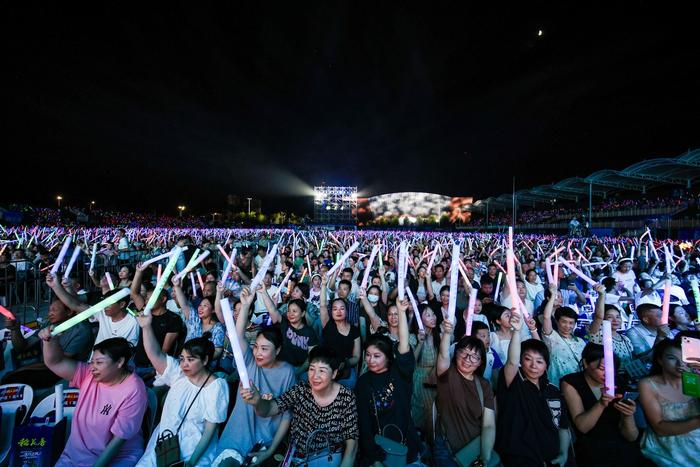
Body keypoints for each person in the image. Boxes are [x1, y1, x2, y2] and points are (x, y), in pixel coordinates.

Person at [215, 285, 297, 466]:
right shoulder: (249, 362)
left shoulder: (287, 372)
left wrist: (271, 450)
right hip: (237, 436)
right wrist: (244, 306)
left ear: (278, 350)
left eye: (265, 349)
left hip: (266, 441)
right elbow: (238, 337)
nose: (258, 352)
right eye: (256, 347)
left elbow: (286, 415)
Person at [39, 331, 147, 467]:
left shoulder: (134, 389)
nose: (93, 367)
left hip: (117, 457)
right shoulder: (88, 374)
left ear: (120, 362)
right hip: (76, 455)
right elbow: (55, 362)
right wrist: (49, 341)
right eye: (92, 362)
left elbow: (118, 439)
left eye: (99, 362)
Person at [135, 312, 229, 467]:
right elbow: (155, 354)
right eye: (182, 358)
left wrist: (191, 462)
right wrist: (146, 327)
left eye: (191, 360)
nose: (184, 364)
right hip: (165, 443)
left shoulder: (216, 387)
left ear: (205, 360)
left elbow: (209, 431)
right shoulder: (178, 374)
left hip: (194, 448)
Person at [241, 345, 359, 466]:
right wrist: (258, 402)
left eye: (322, 370)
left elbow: (352, 444)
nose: (315, 376)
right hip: (298, 458)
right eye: (312, 369)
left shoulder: (346, 397)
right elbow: (269, 409)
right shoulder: (301, 389)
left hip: (328, 457)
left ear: (334, 374)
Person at [496, 308, 571, 466]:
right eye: (528, 359)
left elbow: (563, 427)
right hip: (519, 459)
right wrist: (517, 331)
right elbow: (511, 361)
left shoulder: (553, 391)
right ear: (521, 362)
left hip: (552, 459)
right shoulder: (514, 382)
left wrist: (564, 454)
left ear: (546, 365)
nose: (533, 366)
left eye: (539, 361)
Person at [355, 298, 422, 466]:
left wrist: (401, 312)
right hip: (379, 450)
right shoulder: (363, 382)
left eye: (377, 356)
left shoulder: (400, 374)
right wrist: (373, 457)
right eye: (368, 355)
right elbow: (364, 423)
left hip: (407, 448)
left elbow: (404, 345)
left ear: (389, 357)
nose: (370, 360)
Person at [560, 343, 642, 467]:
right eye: (602, 369)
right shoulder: (571, 383)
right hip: (592, 446)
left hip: (621, 444)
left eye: (611, 369)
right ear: (586, 363)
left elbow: (631, 436)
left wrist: (628, 415)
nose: (608, 374)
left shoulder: (619, 382)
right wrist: (601, 403)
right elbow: (583, 427)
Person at [433, 319, 497, 467]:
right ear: (456, 354)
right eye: (464, 353)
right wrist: (447, 334)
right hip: (447, 451)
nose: (468, 359)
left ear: (481, 362)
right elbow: (443, 356)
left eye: (474, 356)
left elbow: (488, 425)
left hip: (474, 449)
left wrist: (485, 458)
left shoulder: (484, 385)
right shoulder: (447, 376)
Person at [2, 299, 92, 388]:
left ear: (69, 312)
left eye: (54, 310)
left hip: (62, 372)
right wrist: (15, 329)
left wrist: (23, 369)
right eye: (49, 310)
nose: (49, 313)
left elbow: (59, 363)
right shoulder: (49, 323)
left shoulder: (81, 330)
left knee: (11, 379)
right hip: (44, 365)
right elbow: (22, 347)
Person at [638, 338, 700, 466]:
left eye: (684, 358)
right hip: (670, 442)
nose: (680, 364)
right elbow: (660, 428)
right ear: (660, 360)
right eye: (672, 358)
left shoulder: (693, 379)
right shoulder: (648, 385)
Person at [46, 274, 140, 346]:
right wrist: (55, 286)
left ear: (122, 304)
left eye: (108, 304)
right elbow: (76, 304)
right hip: (93, 363)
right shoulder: (102, 313)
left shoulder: (133, 322)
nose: (104, 306)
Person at [320, 275, 361, 389]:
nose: (338, 311)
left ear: (347, 312)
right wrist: (324, 285)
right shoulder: (328, 325)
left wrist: (346, 363)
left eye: (342, 309)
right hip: (326, 368)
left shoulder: (354, 331)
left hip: (345, 372)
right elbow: (323, 305)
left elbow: (356, 357)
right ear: (331, 312)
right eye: (335, 309)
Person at [542, 283, 586, 387]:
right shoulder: (551, 337)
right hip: (558, 385)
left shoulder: (580, 342)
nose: (567, 326)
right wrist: (553, 295)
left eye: (571, 323)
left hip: (580, 385)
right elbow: (546, 317)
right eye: (564, 322)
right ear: (557, 322)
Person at [172, 275, 225, 362]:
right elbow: (184, 305)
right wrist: (177, 286)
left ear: (213, 310)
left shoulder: (218, 328)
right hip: (183, 363)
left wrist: (201, 361)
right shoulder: (195, 320)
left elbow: (218, 351)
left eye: (205, 306)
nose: (200, 308)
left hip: (204, 367)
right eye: (200, 305)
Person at [587, 285, 635, 368]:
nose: (615, 320)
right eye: (610, 317)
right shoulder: (599, 335)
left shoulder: (626, 339)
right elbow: (598, 316)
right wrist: (602, 295)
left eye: (617, 317)